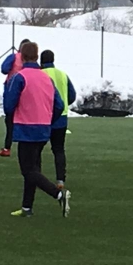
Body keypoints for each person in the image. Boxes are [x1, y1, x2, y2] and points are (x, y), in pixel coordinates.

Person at [4, 42, 71, 218]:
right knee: (34, 168)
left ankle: (58, 194)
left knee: (28, 170)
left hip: (26, 129)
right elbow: (59, 105)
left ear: (22, 57)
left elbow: (9, 105)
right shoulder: (46, 78)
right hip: (43, 129)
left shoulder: (19, 77)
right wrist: (49, 120)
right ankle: (27, 207)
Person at [41, 49, 77, 188]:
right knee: (59, 150)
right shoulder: (63, 74)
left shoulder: (40, 74)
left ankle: (36, 176)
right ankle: (60, 179)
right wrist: (64, 103)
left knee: (36, 149)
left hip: (44, 117)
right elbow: (72, 95)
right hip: (61, 118)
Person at [0, 38, 31, 157]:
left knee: (10, 119)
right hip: (28, 92)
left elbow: (4, 69)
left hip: (12, 89)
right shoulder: (32, 61)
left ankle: (7, 147)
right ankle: (29, 148)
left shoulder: (14, 57)